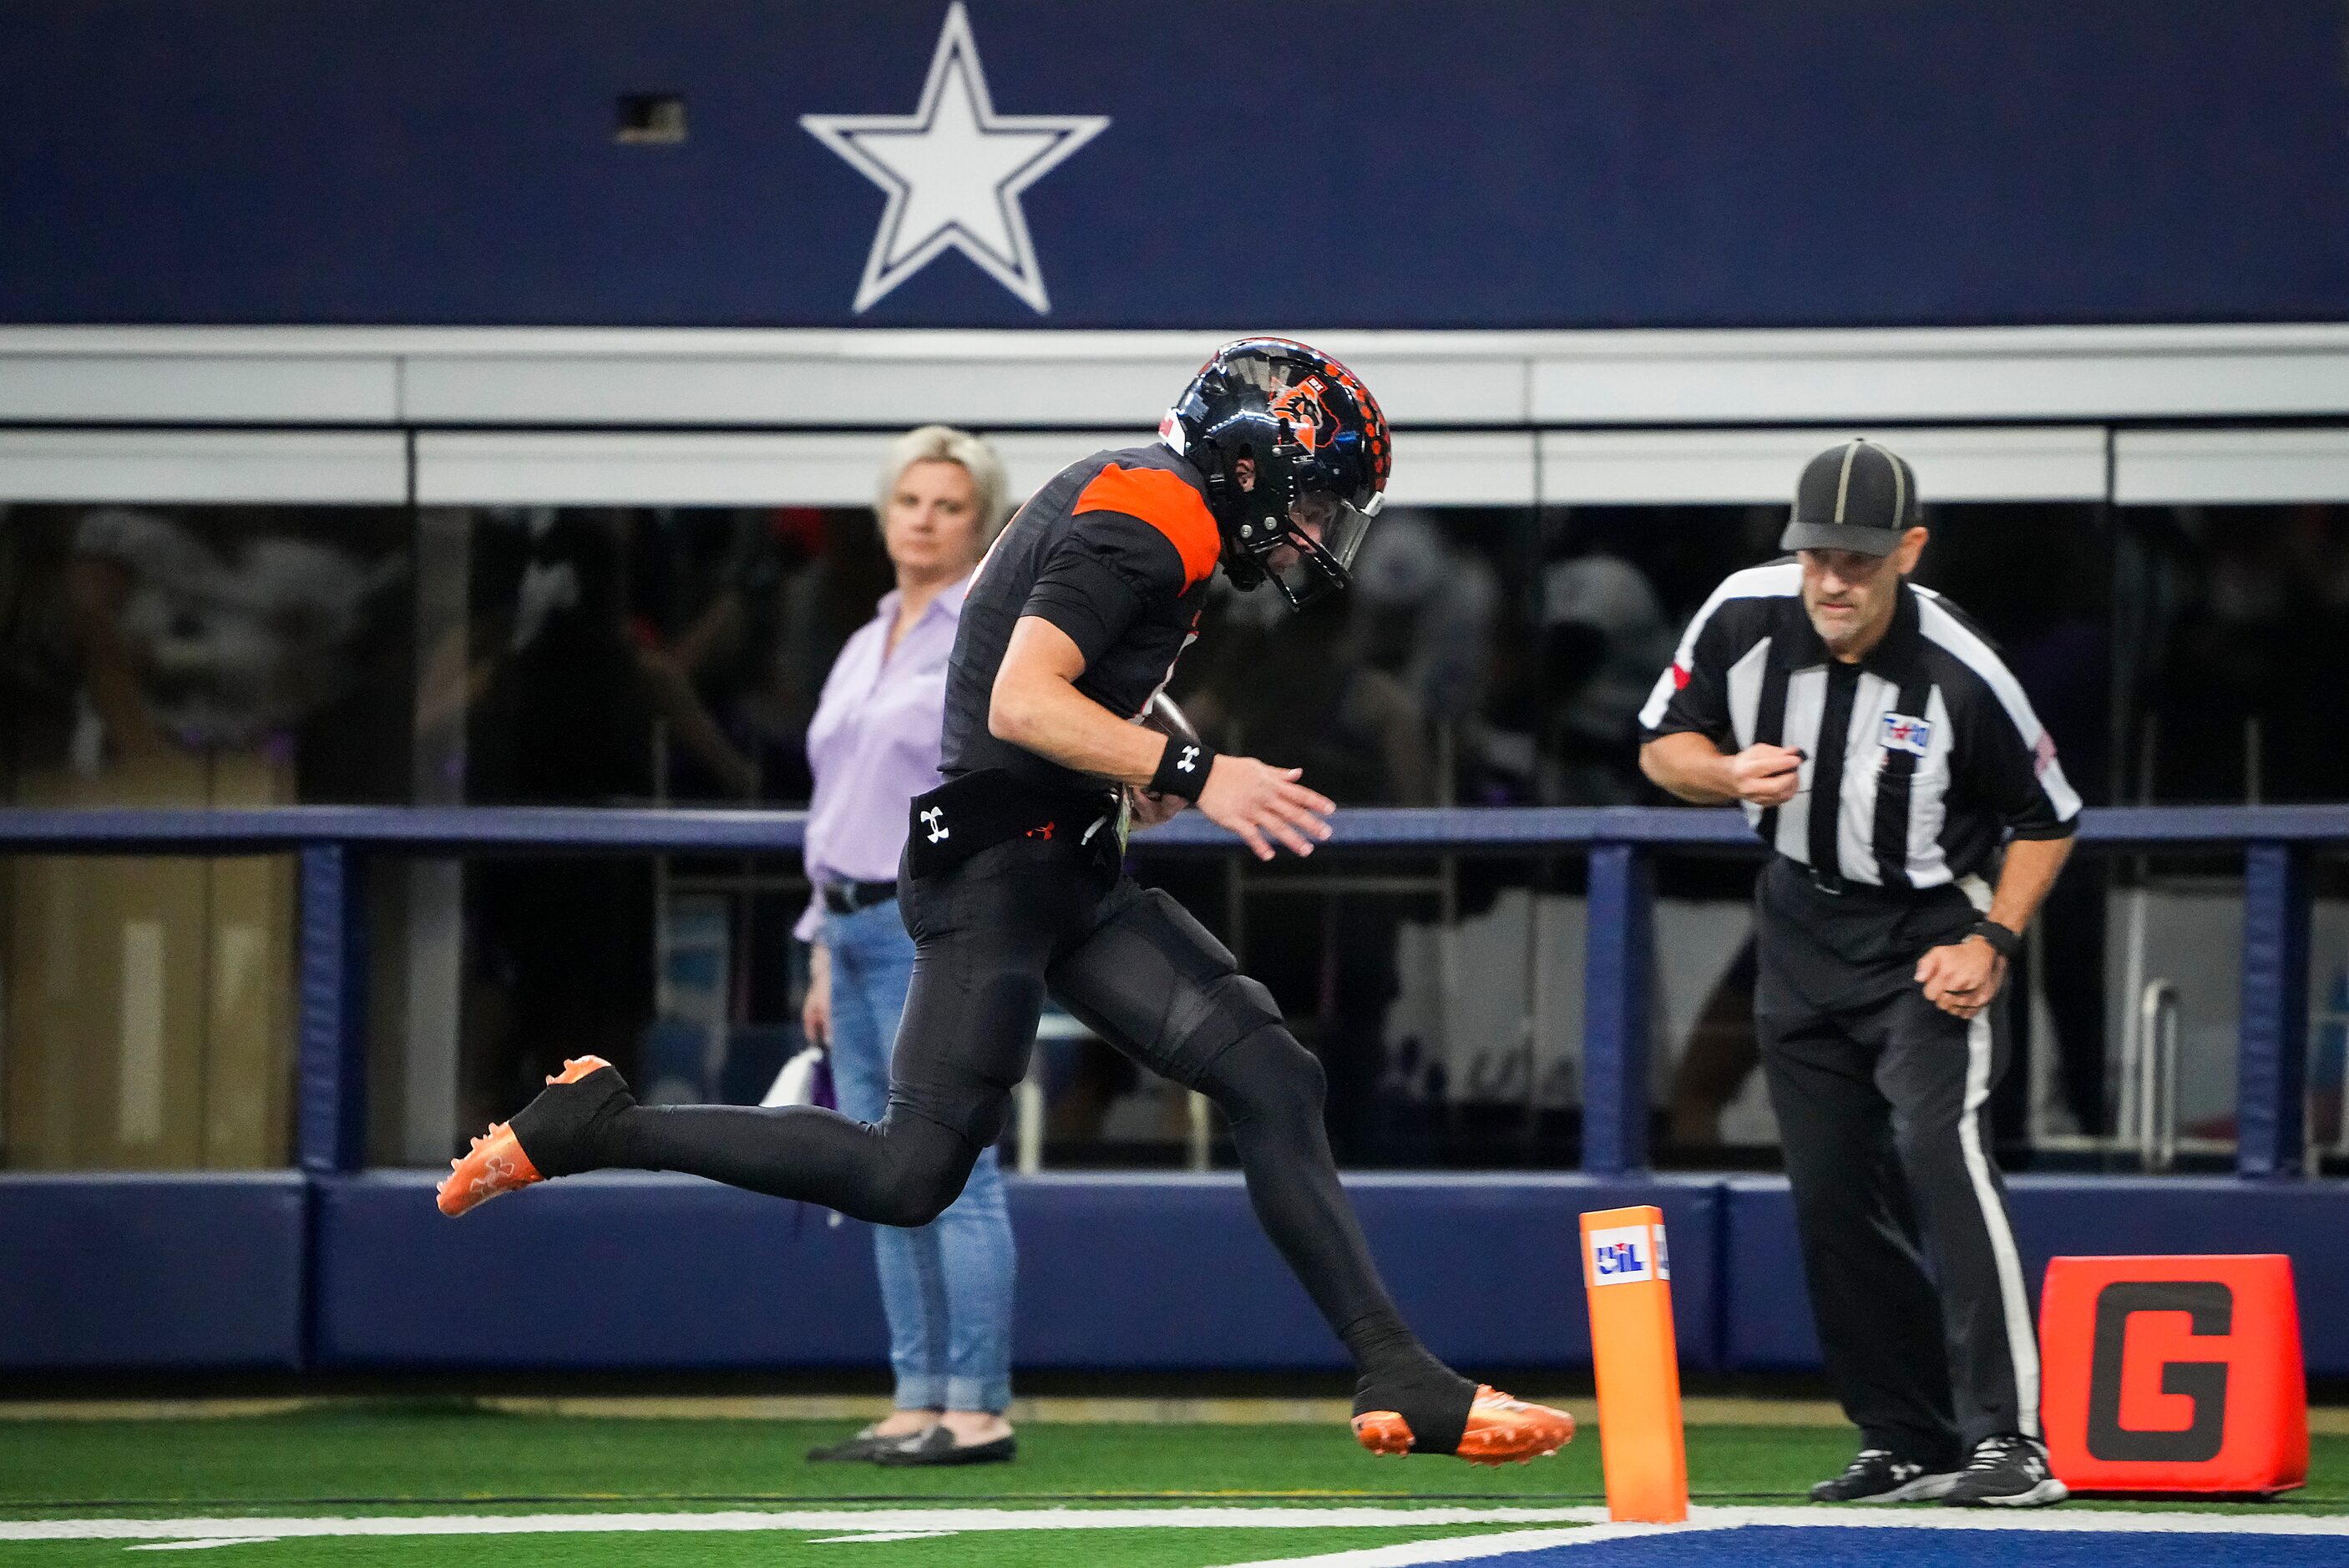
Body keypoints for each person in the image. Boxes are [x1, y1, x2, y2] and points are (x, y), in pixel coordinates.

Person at [438, 338, 1574, 1466]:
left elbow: (1039, 688)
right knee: (910, 1171)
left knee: (1272, 1071)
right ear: (1249, 462)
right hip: (998, 873)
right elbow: (1025, 701)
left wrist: (1136, 763)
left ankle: (1397, 1368)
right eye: (1317, 500)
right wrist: (1195, 772)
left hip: (1063, 864)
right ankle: (601, 1123)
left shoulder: (1140, 497)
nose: (1317, 534)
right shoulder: (1152, 512)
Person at [1638, 439, 2079, 1509]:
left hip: (1929, 929)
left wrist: (1993, 940)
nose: (1831, 580)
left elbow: (2047, 817)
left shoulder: (1961, 669)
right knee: (1830, 1190)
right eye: (1815, 556)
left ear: (1907, 553)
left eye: (1857, 561)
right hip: (1795, 923)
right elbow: (1660, 745)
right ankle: (1905, 1435)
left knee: (1941, 1154)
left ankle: (2009, 1438)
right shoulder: (1743, 615)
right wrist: (1722, 773)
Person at [795, 427, 1021, 1466]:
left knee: (955, 1169)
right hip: (841, 925)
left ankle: (976, 1404)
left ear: (982, 525)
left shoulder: (988, 631)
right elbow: (834, 797)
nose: (924, 519)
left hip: (925, 919)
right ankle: (912, 1396)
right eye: (910, 501)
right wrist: (813, 947)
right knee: (873, 1172)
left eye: (949, 505)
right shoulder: (866, 634)